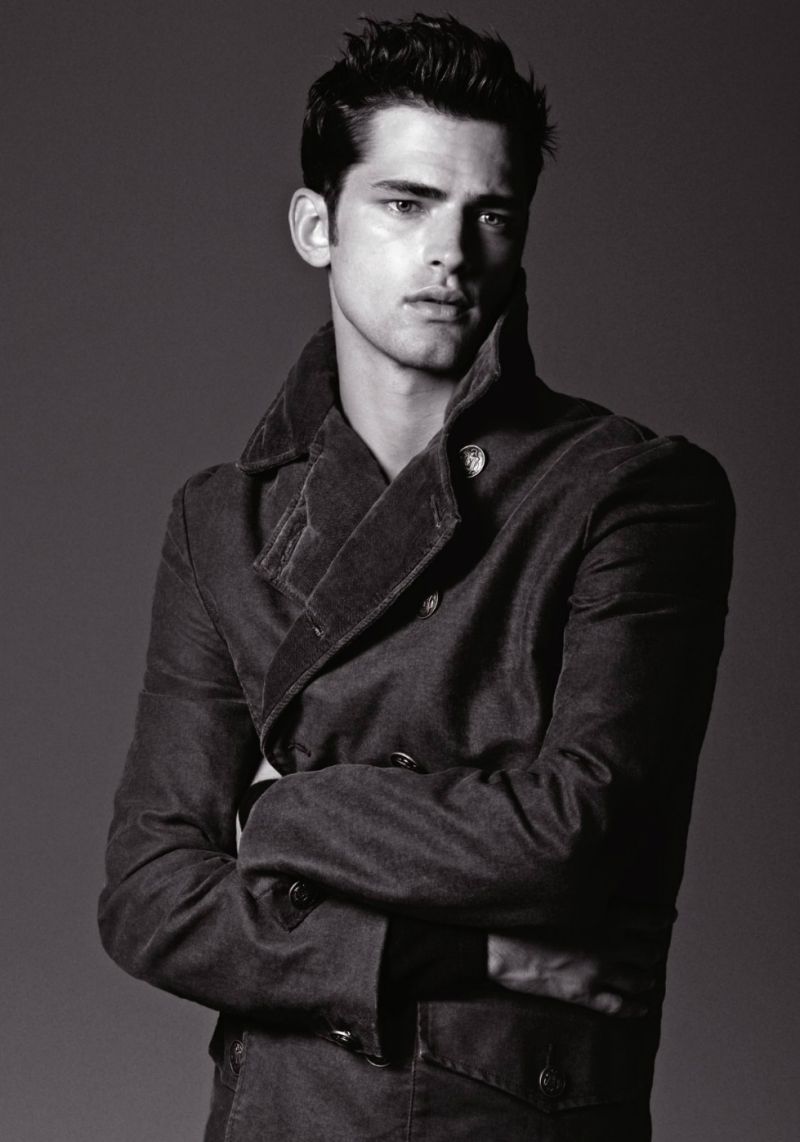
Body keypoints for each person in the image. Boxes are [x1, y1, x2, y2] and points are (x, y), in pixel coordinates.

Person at [98, 14, 735, 1141]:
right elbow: (149, 897)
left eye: (489, 214)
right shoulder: (220, 522)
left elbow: (571, 838)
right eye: (405, 202)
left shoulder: (632, 492)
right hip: (281, 1113)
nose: (451, 251)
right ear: (317, 226)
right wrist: (466, 952)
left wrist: (276, 809)